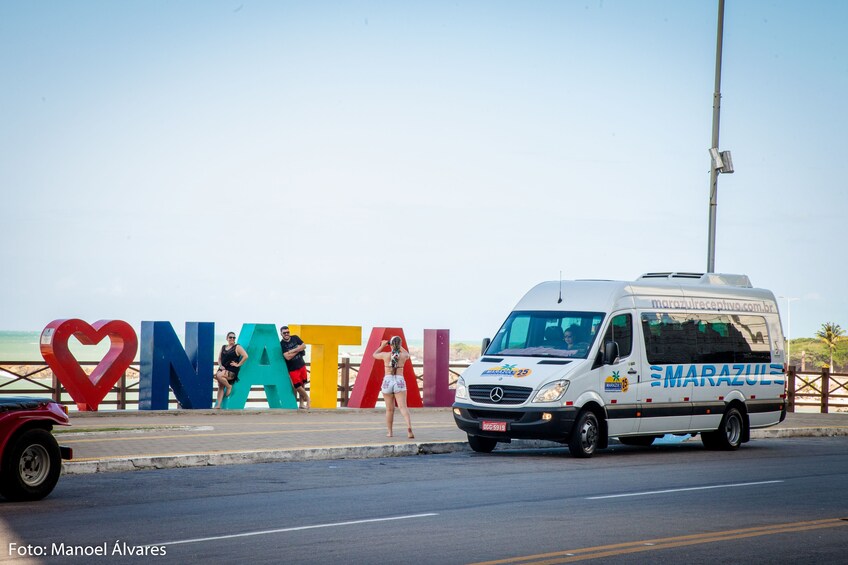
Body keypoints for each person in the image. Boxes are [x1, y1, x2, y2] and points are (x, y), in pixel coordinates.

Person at [373, 336, 414, 439]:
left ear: (390, 344)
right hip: (399, 380)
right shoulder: (403, 356)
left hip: (387, 381)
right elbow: (407, 354)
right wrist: (399, 345)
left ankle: (390, 432)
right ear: (399, 344)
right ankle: (409, 429)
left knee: (389, 410)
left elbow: (374, 355)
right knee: (403, 407)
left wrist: (382, 345)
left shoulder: (385, 355)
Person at [280, 325, 310, 409]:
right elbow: (287, 357)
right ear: (281, 334)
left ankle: (301, 403)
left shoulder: (295, 338)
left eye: (287, 332)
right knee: (297, 386)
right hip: (292, 368)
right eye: (284, 333)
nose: (286, 334)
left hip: (301, 364)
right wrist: (298, 350)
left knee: (303, 384)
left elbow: (304, 346)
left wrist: (293, 351)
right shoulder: (281, 344)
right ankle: (307, 398)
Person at [215, 332, 248, 408]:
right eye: (230, 337)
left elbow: (245, 356)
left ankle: (229, 387)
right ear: (227, 338)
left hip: (232, 370)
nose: (232, 339)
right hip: (222, 368)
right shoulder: (223, 347)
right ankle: (218, 405)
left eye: (234, 337)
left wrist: (238, 364)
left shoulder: (237, 347)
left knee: (219, 376)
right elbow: (219, 359)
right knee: (220, 386)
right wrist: (220, 365)